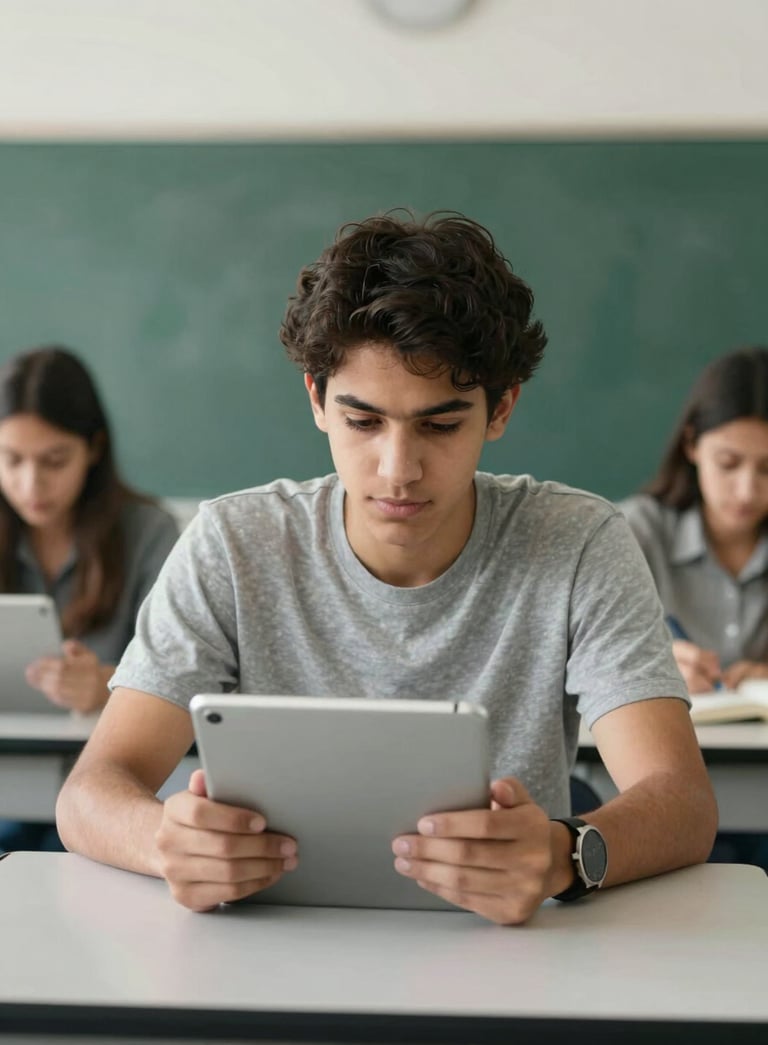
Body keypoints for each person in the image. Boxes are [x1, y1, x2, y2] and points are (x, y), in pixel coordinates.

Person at [56, 212, 716, 925]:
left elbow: (680, 799)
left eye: (440, 424)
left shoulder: (579, 541)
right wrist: (164, 842)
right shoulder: (232, 541)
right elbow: (91, 790)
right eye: (363, 421)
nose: (398, 469)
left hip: (505, 956)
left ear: (501, 410)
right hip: (268, 947)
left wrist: (565, 852)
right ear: (316, 398)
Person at [0, 346, 179, 851]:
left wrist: (110, 687)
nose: (30, 484)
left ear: (93, 448)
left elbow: (185, 678)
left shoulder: (149, 534)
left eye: (54, 461)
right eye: (11, 460)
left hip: (112, 788)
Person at [619, 346, 768, 871]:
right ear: (692, 446)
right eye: (729, 464)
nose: (747, 490)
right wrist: (655, 662)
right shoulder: (631, 533)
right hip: (657, 782)